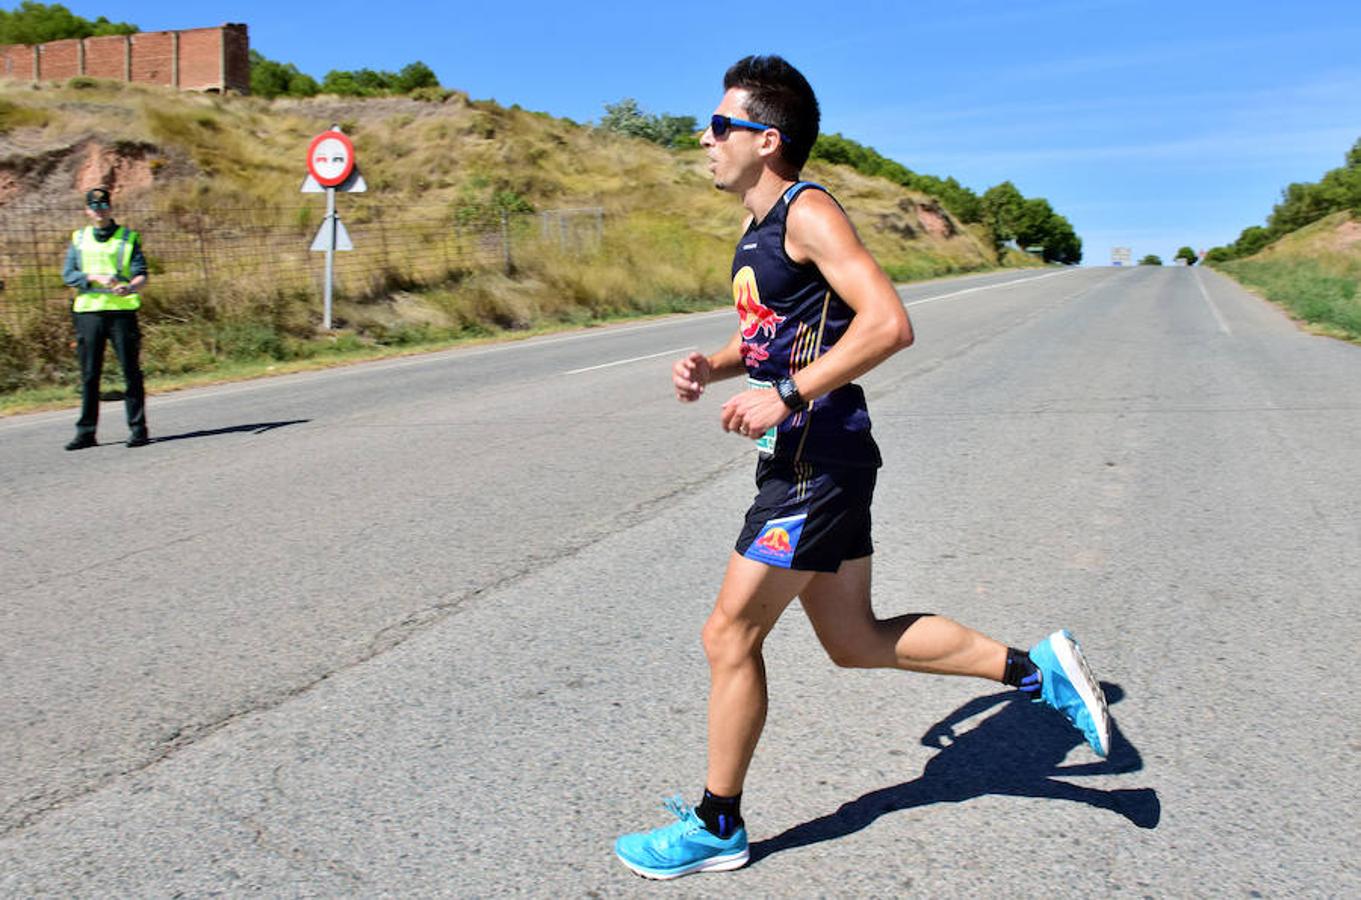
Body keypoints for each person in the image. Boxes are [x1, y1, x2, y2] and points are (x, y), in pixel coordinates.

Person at [613, 56, 1110, 881]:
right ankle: (1037, 670)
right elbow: (780, 332)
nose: (704, 139)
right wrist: (714, 362)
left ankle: (716, 824)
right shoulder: (759, 226)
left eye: (720, 125)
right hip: (817, 456)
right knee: (852, 639)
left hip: (815, 458)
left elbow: (887, 323)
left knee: (727, 633)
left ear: (765, 140)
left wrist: (787, 397)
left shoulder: (806, 212)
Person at [62, 186, 150, 450]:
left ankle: (138, 429)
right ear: (87, 211)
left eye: (103, 206)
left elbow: (141, 274)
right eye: (94, 207)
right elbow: (68, 275)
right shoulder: (78, 239)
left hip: (121, 312)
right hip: (89, 313)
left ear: (110, 208)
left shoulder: (127, 237)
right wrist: (92, 278)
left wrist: (131, 287)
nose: (99, 211)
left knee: (130, 371)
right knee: (89, 374)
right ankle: (86, 432)